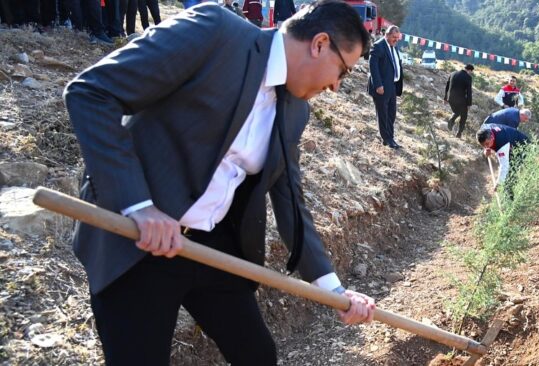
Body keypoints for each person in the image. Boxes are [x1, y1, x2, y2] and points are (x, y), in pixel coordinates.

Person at [63, 1, 375, 364]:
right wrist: (139, 206)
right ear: (320, 44)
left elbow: (290, 198)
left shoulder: (295, 109)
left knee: (257, 356)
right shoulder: (215, 33)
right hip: (139, 242)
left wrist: (335, 291)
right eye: (343, 72)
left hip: (212, 248)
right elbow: (91, 92)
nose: (336, 87)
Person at [368, 25, 403, 149]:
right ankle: (387, 139)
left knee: (391, 113)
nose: (396, 40)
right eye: (394, 37)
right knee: (383, 114)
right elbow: (373, 66)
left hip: (392, 86)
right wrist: (378, 84)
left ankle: (390, 137)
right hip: (381, 86)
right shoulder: (378, 45)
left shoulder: (394, 46)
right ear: (387, 35)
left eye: (397, 38)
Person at [476, 123, 529, 194]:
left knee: (511, 173)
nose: (486, 146)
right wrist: (486, 149)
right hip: (510, 142)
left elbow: (504, 165)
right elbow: (485, 142)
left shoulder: (501, 143)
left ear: (492, 137)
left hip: (523, 147)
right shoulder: (485, 129)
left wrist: (499, 183)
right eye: (483, 145)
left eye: (487, 144)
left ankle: (510, 198)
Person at [444, 64, 474, 138]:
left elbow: (447, 86)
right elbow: (469, 91)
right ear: (469, 70)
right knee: (464, 115)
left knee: (458, 111)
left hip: (450, 98)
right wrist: (469, 103)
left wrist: (445, 98)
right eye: (471, 71)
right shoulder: (468, 77)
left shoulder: (453, 73)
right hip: (460, 99)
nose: (471, 73)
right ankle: (459, 133)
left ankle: (452, 121)